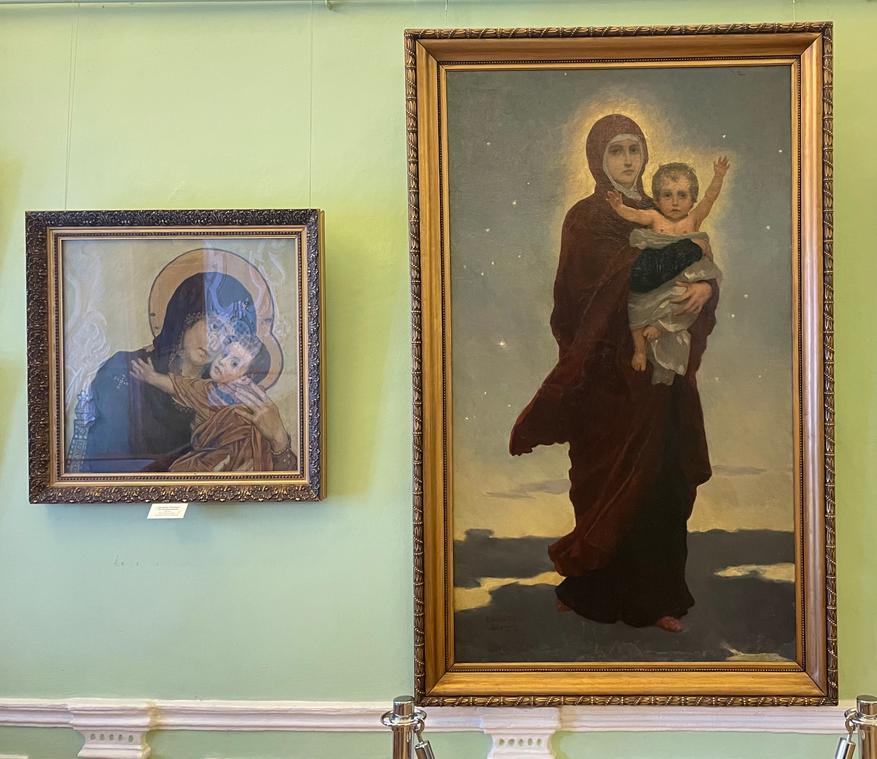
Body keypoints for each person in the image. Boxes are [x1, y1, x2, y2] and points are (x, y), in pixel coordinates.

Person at [509, 114, 720, 633]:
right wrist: (686, 257)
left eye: (634, 149)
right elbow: (585, 292)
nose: (628, 160)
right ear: (597, 159)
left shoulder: (664, 207)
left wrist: (705, 287)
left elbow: (690, 262)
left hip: (659, 378)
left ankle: (659, 600)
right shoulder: (586, 218)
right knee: (602, 483)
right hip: (605, 381)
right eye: (616, 151)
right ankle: (590, 593)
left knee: (662, 483)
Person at [77, 271, 294, 473]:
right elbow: (100, 466)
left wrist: (279, 440)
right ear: (186, 316)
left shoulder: (227, 395)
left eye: (229, 338)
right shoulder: (125, 370)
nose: (216, 343)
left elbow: (274, 479)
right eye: (214, 326)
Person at [606, 158, 729, 381]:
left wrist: (718, 176)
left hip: (684, 277)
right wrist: (619, 207)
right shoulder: (654, 217)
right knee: (636, 304)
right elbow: (636, 215)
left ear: (692, 200)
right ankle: (640, 351)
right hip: (654, 278)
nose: (674, 202)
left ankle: (661, 326)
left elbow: (710, 198)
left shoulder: (693, 219)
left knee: (684, 298)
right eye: (667, 195)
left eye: (682, 195)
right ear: (656, 199)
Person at [129, 320, 292, 473]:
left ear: (246, 378)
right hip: (204, 457)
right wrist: (152, 377)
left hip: (234, 462)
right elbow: (179, 386)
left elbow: (253, 445)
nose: (222, 362)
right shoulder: (208, 388)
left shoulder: (247, 405)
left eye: (234, 363)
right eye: (224, 354)